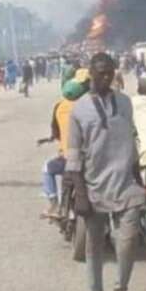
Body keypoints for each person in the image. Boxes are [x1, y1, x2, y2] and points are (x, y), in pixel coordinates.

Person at [65, 53, 146, 291]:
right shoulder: (79, 110)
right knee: (94, 244)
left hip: (126, 183)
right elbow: (74, 155)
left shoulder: (125, 103)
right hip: (93, 185)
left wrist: (139, 178)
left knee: (128, 241)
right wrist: (80, 194)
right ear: (90, 72)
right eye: (101, 72)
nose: (106, 77)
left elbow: (131, 142)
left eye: (110, 72)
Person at [38, 77, 88, 219]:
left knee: (47, 168)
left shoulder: (59, 107)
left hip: (68, 159)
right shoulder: (87, 106)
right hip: (89, 158)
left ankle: (54, 204)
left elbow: (56, 133)